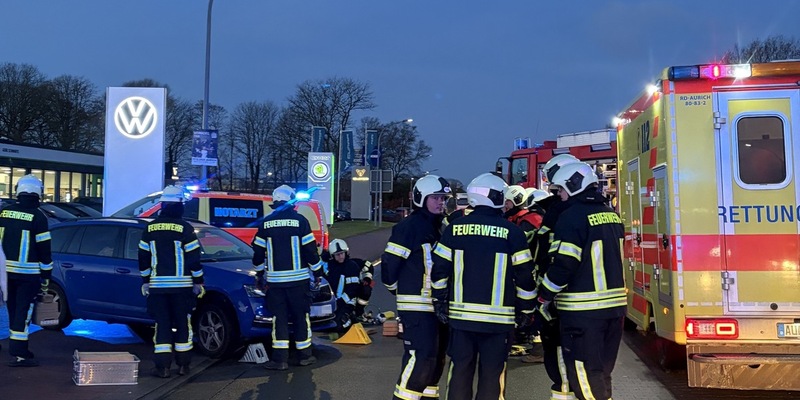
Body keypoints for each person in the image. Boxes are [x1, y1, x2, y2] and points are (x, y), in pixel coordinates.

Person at [430, 172, 537, 400]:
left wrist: (439, 301)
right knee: (492, 376)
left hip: (461, 320)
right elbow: (526, 277)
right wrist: (527, 310)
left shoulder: (454, 229)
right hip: (499, 323)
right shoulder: (514, 233)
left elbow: (439, 271)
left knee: (459, 371)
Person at [537, 162, 626, 400]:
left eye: (561, 191)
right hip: (614, 310)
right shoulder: (611, 215)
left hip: (583, 312)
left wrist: (544, 294)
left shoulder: (571, 217)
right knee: (601, 373)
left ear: (573, 186)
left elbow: (564, 264)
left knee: (584, 375)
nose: (560, 196)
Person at [381, 174, 452, 400]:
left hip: (438, 306)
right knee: (420, 359)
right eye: (436, 198)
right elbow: (389, 266)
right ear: (421, 198)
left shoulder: (443, 226)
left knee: (436, 361)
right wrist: (399, 291)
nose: (441, 202)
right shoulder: (408, 227)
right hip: (417, 306)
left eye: (444, 198)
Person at [252, 184, 324, 371]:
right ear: (291, 201)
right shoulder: (300, 221)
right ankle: (304, 356)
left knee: (279, 319)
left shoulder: (265, 223)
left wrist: (260, 275)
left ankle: (280, 359)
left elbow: (258, 254)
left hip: (275, 283)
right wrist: (317, 274)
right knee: (301, 317)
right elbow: (310, 251)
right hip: (299, 282)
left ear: (275, 202)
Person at [138, 185, 204, 378]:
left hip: (158, 287)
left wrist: (145, 280)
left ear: (162, 205)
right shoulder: (185, 228)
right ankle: (183, 365)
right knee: (183, 325)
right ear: (179, 206)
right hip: (182, 287)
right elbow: (194, 259)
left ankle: (163, 367)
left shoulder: (149, 228)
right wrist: (198, 281)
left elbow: (143, 258)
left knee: (162, 326)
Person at [534, 153, 581, 399]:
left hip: (560, 297)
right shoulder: (593, 210)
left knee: (560, 355)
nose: (554, 192)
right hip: (585, 302)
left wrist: (544, 295)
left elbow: (550, 256)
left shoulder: (559, 212)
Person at [1, 174, 51, 367]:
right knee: (23, 312)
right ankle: (20, 354)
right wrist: (46, 277)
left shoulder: (4, 212)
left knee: (10, 310)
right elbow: (44, 250)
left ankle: (14, 348)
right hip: (27, 275)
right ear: (38, 193)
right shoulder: (38, 217)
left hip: (4, 272)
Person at [323, 238, 362, 332]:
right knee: (323, 324)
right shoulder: (329, 266)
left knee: (339, 325)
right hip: (331, 303)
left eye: (342, 253)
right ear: (333, 256)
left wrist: (340, 302)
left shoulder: (351, 266)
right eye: (337, 255)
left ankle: (350, 318)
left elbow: (352, 290)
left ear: (346, 252)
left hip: (346, 302)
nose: (340, 256)